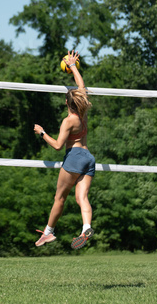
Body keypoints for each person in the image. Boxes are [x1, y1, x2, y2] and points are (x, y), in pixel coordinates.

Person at [33, 50, 95, 250]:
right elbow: (81, 87)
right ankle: (86, 227)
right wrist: (73, 66)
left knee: (59, 198)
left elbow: (58, 146)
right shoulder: (83, 111)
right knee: (82, 198)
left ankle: (48, 233)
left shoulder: (68, 121)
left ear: (67, 103)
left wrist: (42, 133)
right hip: (88, 157)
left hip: (75, 157)